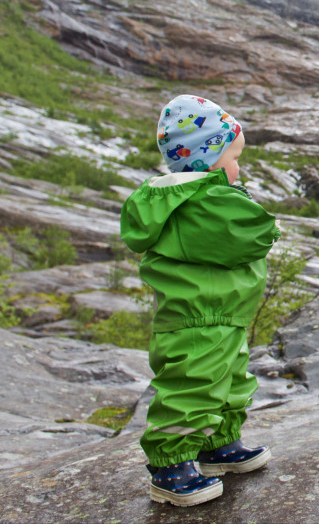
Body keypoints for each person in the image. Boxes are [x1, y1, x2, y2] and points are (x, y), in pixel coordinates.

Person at [121, 95, 282, 506]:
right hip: (201, 317)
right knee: (193, 385)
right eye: (234, 157)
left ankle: (218, 445)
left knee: (229, 380)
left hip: (222, 315)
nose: (238, 167)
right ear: (208, 158)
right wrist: (246, 202)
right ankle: (169, 467)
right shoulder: (205, 201)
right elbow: (255, 234)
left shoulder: (192, 197)